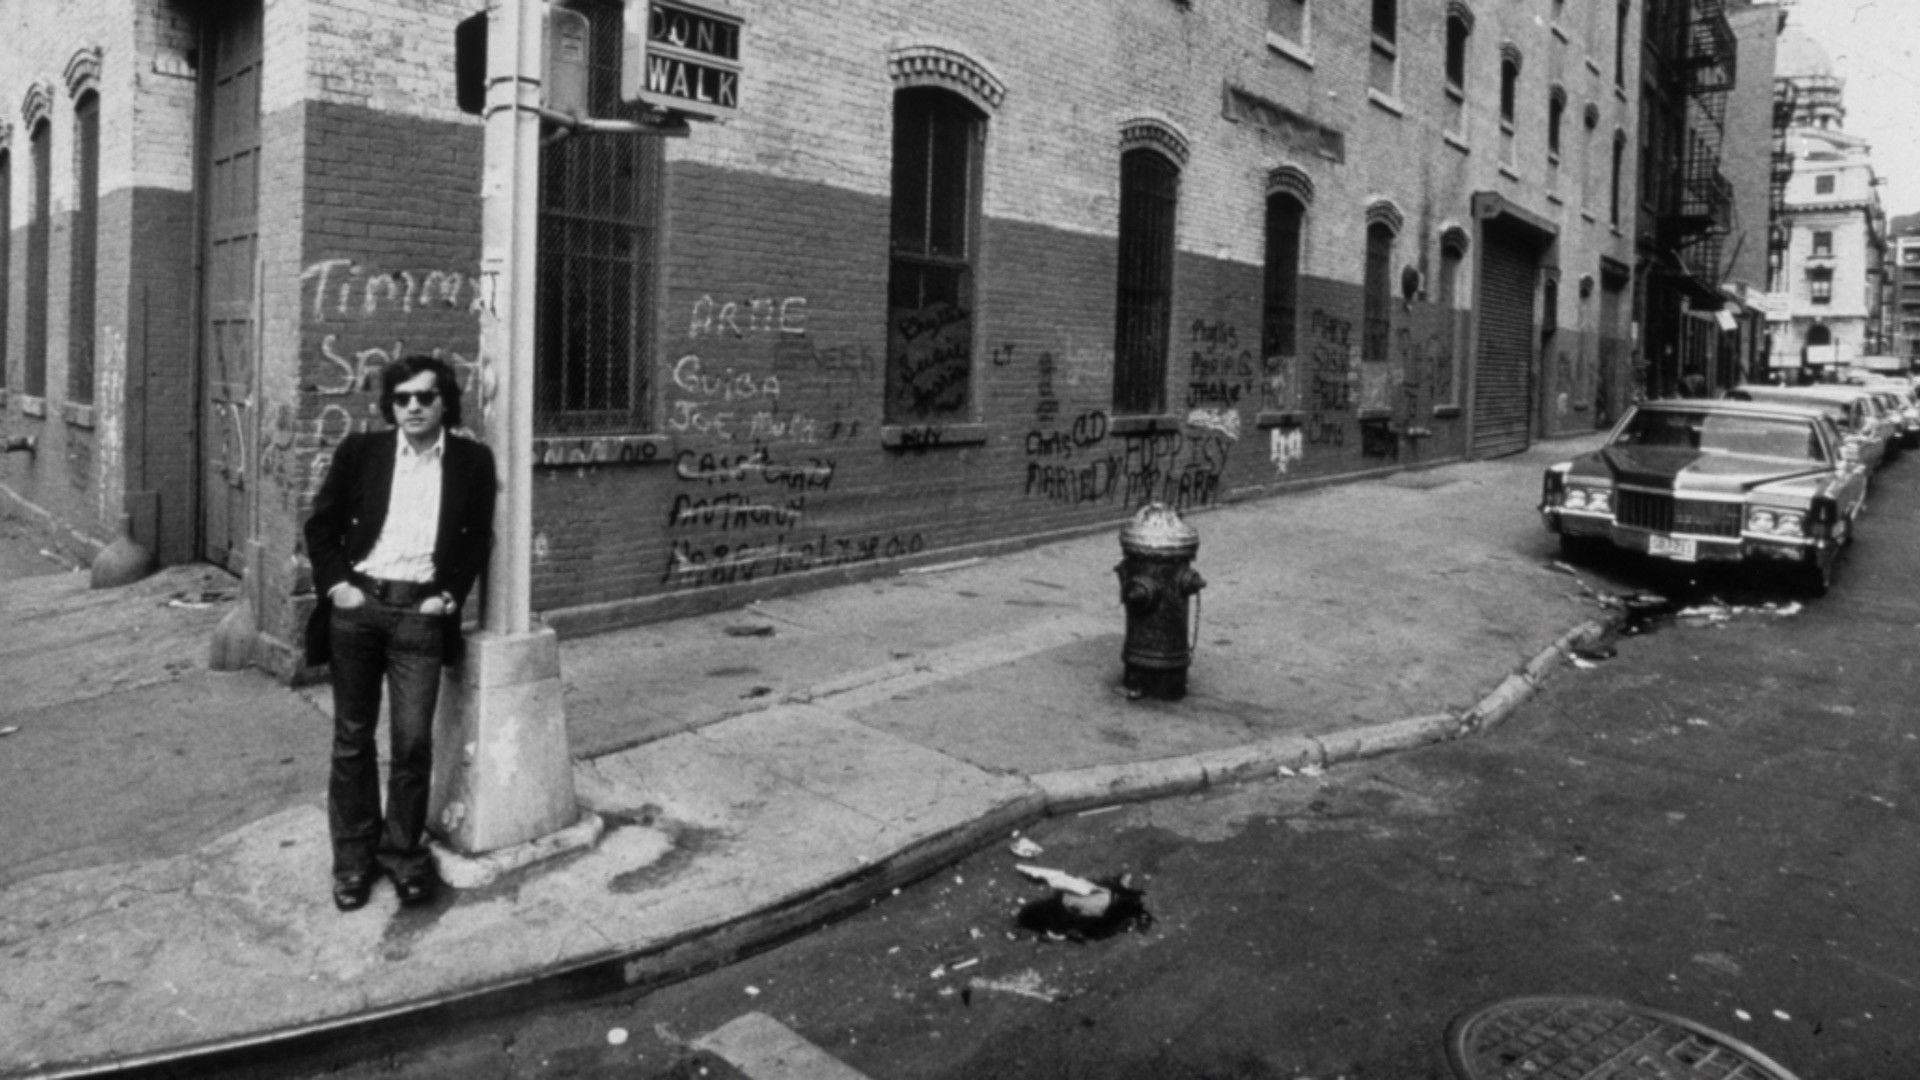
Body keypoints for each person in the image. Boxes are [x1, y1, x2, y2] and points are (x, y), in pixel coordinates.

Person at [304, 355, 496, 912]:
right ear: (391, 405)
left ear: (445, 403)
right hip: (359, 609)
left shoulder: (471, 462)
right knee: (352, 739)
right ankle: (352, 861)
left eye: (425, 397)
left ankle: (403, 853)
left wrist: (448, 596)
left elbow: (475, 538)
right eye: (402, 398)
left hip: (420, 616)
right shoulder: (361, 453)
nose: (413, 407)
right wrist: (338, 587)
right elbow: (321, 526)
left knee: (412, 743)